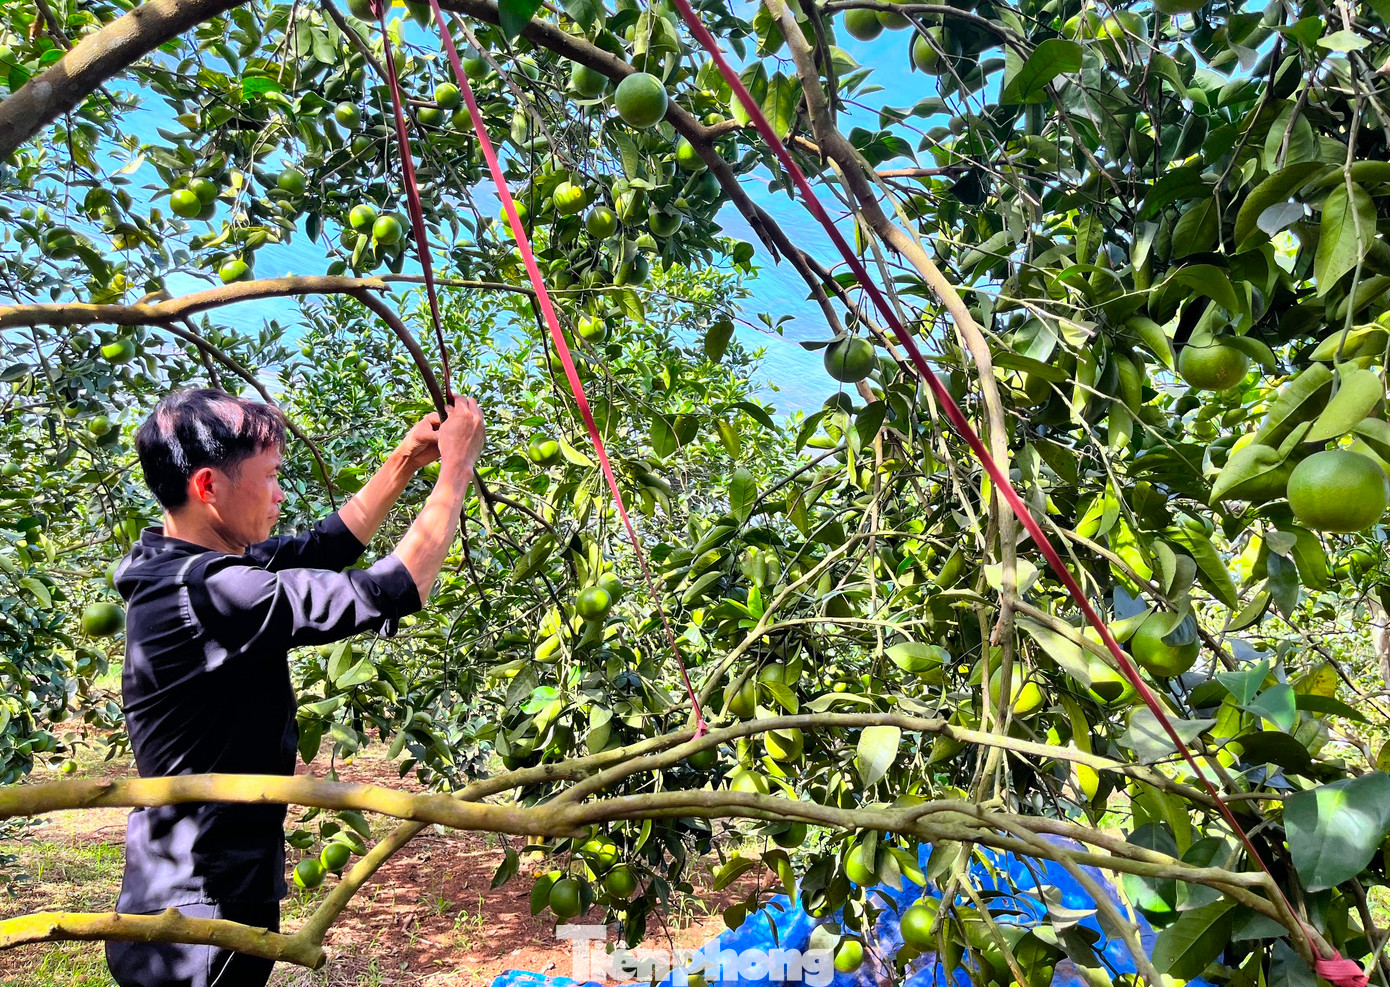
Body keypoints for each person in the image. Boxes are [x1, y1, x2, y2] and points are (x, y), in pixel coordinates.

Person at [104, 387, 485, 987]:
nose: (280, 493)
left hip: (190, 886)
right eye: (270, 476)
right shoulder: (211, 592)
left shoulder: (180, 564)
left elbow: (325, 546)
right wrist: (458, 468)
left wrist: (407, 459)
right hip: (201, 910)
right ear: (208, 486)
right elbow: (397, 585)